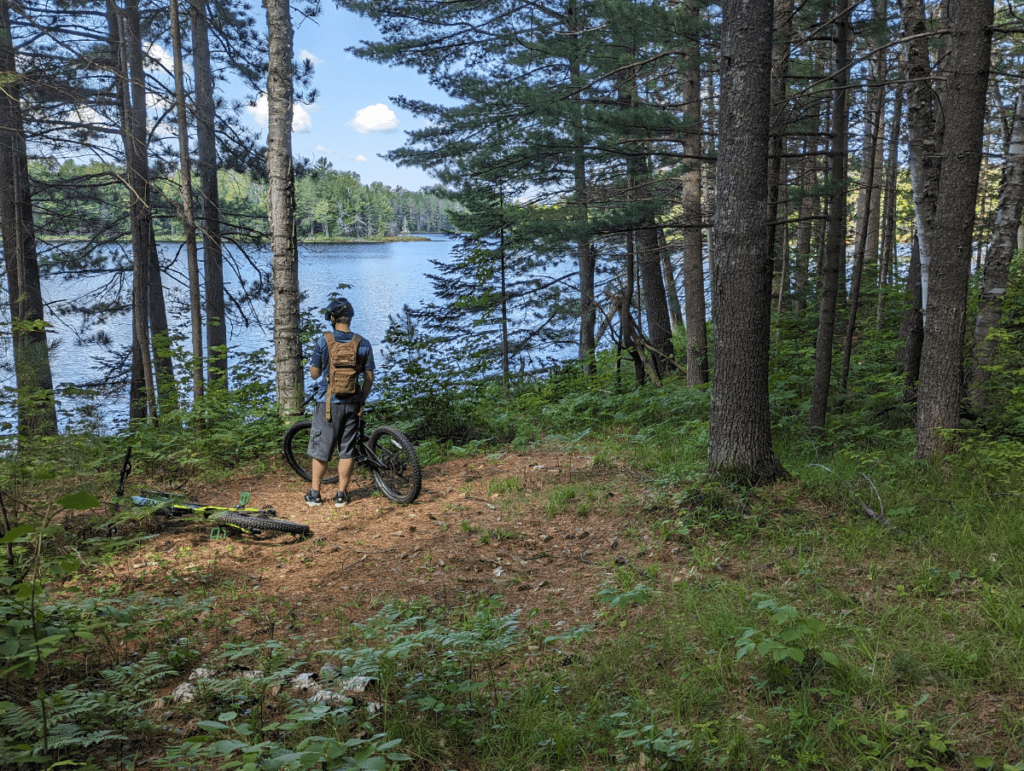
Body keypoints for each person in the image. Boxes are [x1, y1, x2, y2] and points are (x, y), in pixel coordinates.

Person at [304, 297, 375, 507]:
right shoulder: (363, 343)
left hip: (327, 404)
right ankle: (341, 496)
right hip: (352, 403)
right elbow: (369, 378)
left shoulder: (323, 341)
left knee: (321, 449)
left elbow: (315, 374)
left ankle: (315, 495)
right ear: (350, 318)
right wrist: (361, 399)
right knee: (347, 450)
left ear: (332, 318)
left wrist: (315, 366)